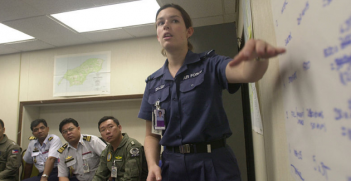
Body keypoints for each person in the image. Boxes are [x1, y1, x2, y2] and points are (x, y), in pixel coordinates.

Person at [138, 3, 286, 181]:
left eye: (174, 20)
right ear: (158, 35)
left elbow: (246, 72)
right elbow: (152, 135)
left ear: (189, 31)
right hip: (172, 167)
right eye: (160, 23)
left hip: (213, 163)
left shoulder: (210, 64)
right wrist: (153, 165)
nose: (166, 25)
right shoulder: (153, 83)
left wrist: (257, 56)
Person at [93, 116, 148, 181]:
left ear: (119, 128)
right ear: (101, 135)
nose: (107, 132)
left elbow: (131, 178)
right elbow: (100, 175)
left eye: (110, 127)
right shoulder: (107, 150)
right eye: (103, 130)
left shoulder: (132, 147)